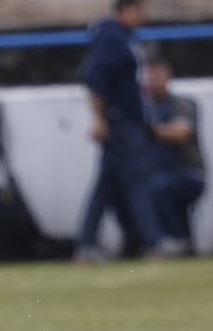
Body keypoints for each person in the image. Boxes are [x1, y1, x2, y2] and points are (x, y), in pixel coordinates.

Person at [73, 0, 160, 262]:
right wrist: (100, 118)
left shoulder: (123, 37)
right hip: (121, 124)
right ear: (126, 10)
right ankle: (152, 243)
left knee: (105, 187)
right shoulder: (112, 38)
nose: (144, 15)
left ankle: (86, 245)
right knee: (138, 182)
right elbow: (95, 79)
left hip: (123, 122)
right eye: (140, 9)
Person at [143, 59, 205, 257]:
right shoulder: (147, 109)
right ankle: (182, 243)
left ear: (168, 79)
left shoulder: (182, 104)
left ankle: (174, 239)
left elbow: (181, 133)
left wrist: (151, 131)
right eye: (150, 79)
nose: (154, 83)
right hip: (163, 173)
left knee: (158, 188)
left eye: (158, 78)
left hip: (190, 173)